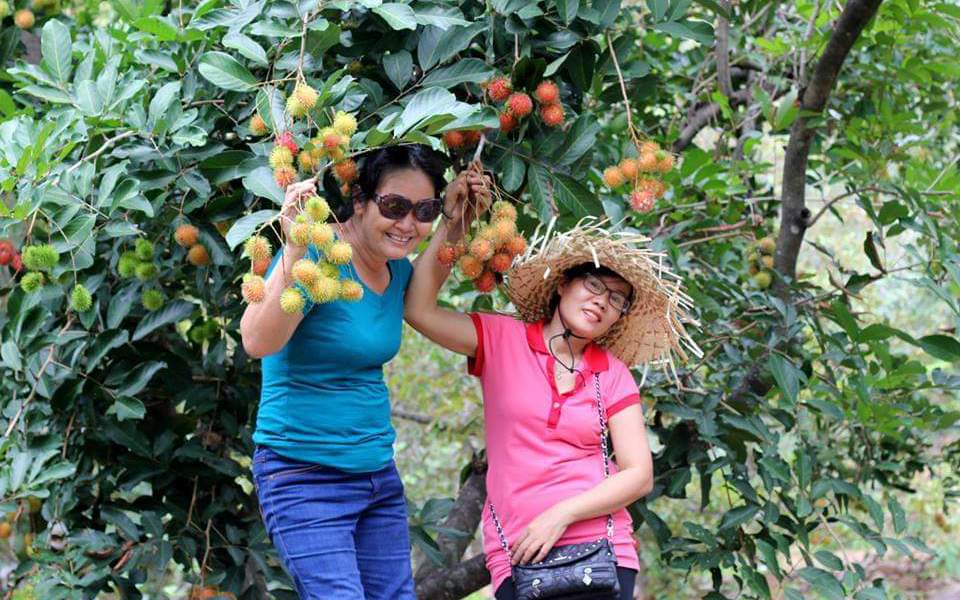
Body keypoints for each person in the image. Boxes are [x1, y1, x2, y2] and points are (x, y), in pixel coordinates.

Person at [239, 145, 489, 599]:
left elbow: (424, 295)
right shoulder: (319, 253)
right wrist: (294, 249)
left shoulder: (394, 269)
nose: (407, 224)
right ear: (360, 200)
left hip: (376, 476)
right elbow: (257, 340)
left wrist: (458, 218)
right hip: (303, 477)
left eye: (423, 210)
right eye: (394, 206)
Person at [405, 221, 697, 599]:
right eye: (594, 285)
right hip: (518, 549)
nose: (602, 301)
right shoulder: (500, 338)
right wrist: (455, 222)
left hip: (600, 548)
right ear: (562, 284)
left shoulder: (613, 374)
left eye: (616, 299)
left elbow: (639, 474)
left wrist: (560, 515)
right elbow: (418, 310)